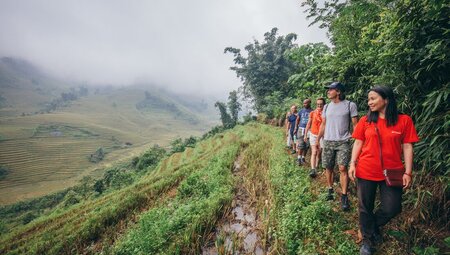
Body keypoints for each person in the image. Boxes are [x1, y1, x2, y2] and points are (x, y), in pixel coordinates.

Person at [349, 86, 419, 255]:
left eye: (373, 98)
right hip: (366, 170)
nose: (369, 102)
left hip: (393, 172)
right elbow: (358, 143)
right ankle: (367, 241)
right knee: (365, 207)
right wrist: (352, 163)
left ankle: (369, 227)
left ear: (386, 99)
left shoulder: (404, 120)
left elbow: (407, 146)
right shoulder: (365, 120)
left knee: (392, 208)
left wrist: (408, 172)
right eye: (368, 99)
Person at [317, 82, 358, 211]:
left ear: (338, 92)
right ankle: (330, 189)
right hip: (328, 140)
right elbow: (323, 124)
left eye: (331, 89)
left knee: (342, 167)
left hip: (343, 142)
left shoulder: (350, 105)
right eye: (328, 90)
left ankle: (344, 196)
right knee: (328, 167)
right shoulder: (327, 107)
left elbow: (356, 125)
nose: (328, 92)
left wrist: (358, 141)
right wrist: (318, 139)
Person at [304, 97, 325, 177]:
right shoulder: (312, 113)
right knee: (314, 151)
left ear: (324, 105)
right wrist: (306, 134)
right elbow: (308, 124)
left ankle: (316, 166)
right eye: (318, 104)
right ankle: (313, 169)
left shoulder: (326, 113)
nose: (319, 105)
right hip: (313, 134)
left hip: (322, 135)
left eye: (321, 104)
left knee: (319, 152)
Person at [295, 99, 313, 165]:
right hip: (301, 129)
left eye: (306, 103)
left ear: (309, 103)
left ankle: (303, 157)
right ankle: (299, 159)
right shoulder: (301, 111)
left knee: (307, 145)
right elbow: (297, 119)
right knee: (301, 144)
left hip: (309, 130)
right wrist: (295, 128)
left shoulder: (312, 111)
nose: (304, 104)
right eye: (304, 103)